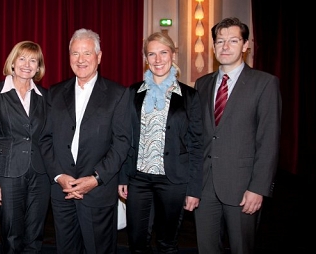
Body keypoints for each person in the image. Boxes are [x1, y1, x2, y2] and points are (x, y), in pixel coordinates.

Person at [194, 17, 282, 254]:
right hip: (205, 187)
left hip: (243, 188)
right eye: (220, 41)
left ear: (245, 45)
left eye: (233, 41)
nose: (225, 46)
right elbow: (199, 138)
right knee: (206, 248)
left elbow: (268, 142)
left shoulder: (265, 83)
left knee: (242, 248)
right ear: (213, 47)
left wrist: (259, 188)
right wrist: (192, 185)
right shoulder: (202, 84)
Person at [39, 28, 131, 254]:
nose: (81, 60)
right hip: (63, 192)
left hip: (98, 193)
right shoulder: (55, 92)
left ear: (99, 57)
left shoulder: (117, 94)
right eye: (75, 53)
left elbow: (121, 142)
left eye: (87, 53)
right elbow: (45, 139)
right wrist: (60, 176)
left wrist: (96, 178)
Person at [118, 32, 203, 253]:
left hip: (173, 180)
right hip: (138, 180)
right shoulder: (133, 92)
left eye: (163, 53)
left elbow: (196, 144)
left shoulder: (190, 96)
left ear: (172, 55)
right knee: (137, 242)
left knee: (167, 243)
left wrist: (194, 189)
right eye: (152, 54)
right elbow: (124, 138)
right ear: (146, 58)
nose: (158, 59)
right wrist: (122, 176)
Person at [0, 41, 50, 253]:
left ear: (38, 67)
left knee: (35, 235)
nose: (27, 64)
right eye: (22, 58)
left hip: (40, 174)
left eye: (33, 60)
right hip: (7, 174)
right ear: (13, 62)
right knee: (11, 234)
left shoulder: (45, 96)